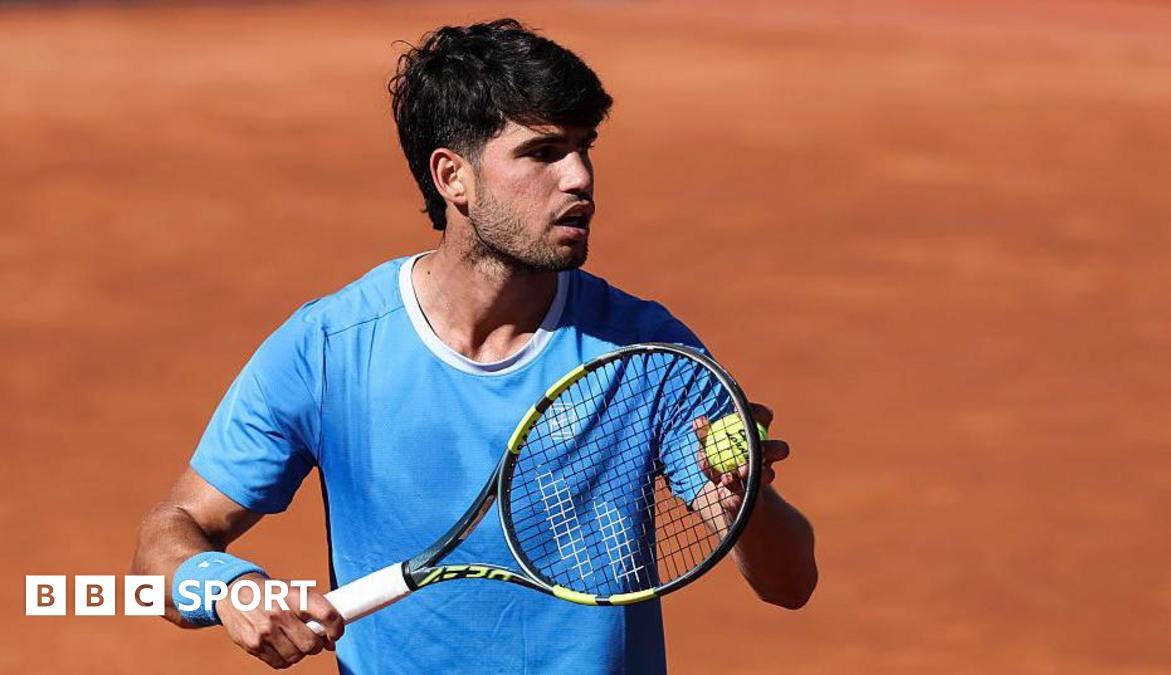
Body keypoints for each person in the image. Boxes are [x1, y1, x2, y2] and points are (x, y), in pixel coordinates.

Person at [131, 18, 816, 674]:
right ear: (452, 176)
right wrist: (229, 588)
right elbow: (164, 545)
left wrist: (746, 501)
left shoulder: (648, 354)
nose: (579, 177)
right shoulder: (329, 350)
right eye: (543, 152)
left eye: (585, 147)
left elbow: (790, 582)